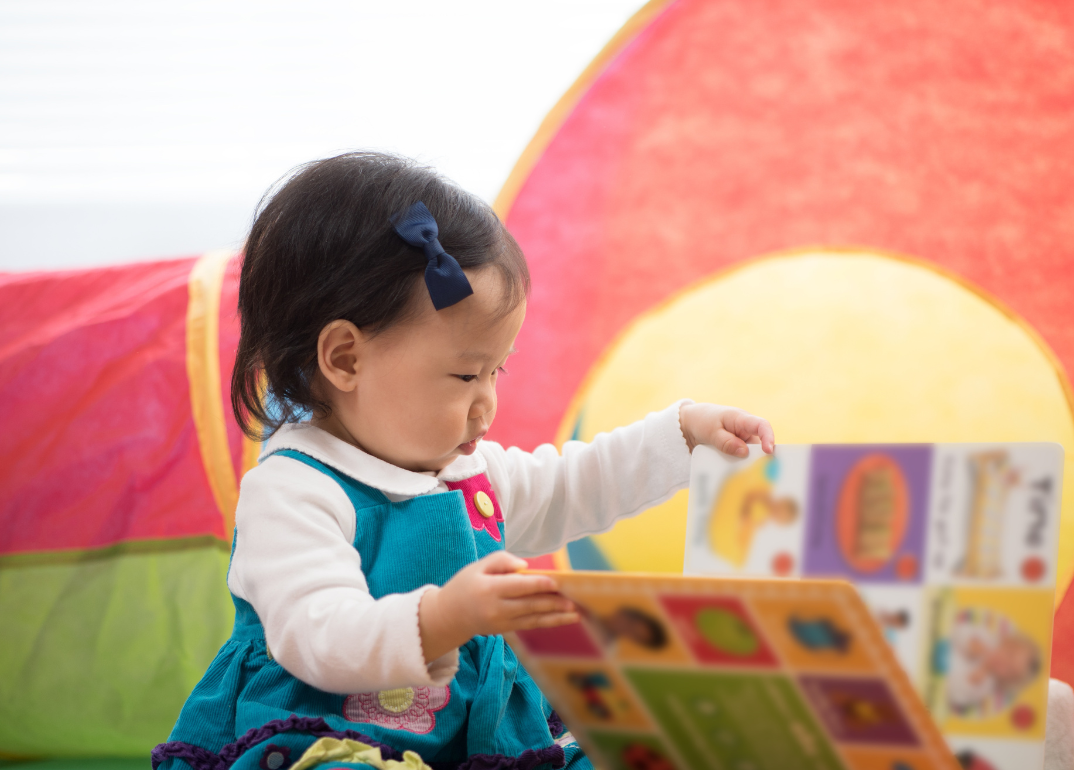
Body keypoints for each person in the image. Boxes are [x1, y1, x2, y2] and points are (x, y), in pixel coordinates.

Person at [152, 152, 775, 770]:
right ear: (345, 358)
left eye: (496, 371)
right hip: (328, 737)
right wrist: (446, 617)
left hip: (478, 740)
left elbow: (573, 486)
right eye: (464, 375)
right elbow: (320, 634)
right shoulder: (293, 489)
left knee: (635, 750)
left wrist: (683, 436)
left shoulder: (470, 476)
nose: (487, 406)